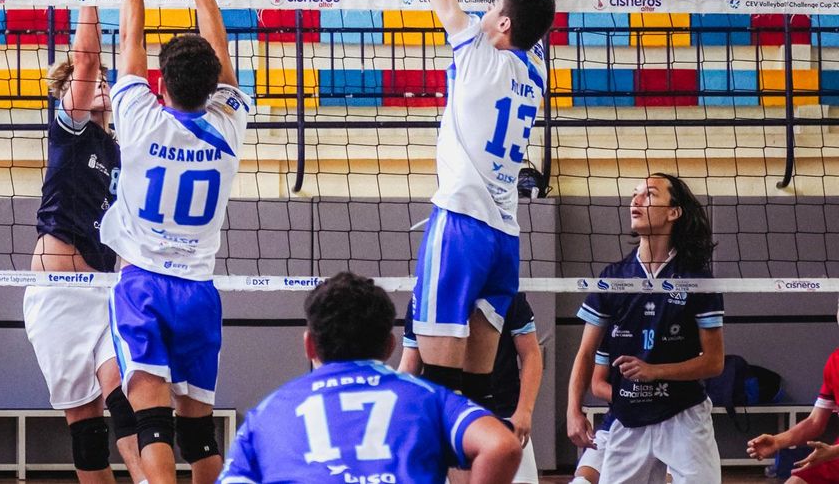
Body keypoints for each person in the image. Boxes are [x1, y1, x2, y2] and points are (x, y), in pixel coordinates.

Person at [381, 0, 557, 406]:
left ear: (502, 25)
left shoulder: (476, 54)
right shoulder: (534, 68)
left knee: (436, 391)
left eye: (493, 9)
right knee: (477, 396)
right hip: (505, 238)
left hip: (459, 226)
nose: (485, 7)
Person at [101, 0, 252, 484]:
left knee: (154, 430)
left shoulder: (138, 118)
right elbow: (219, 60)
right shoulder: (229, 124)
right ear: (215, 88)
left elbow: (129, 45)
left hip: (143, 287)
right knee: (197, 434)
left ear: (160, 85)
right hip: (198, 292)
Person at [21, 0, 146, 484]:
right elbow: (91, 62)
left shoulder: (119, 149)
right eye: (84, 81)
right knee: (84, 421)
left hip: (104, 288)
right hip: (57, 297)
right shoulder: (68, 132)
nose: (95, 85)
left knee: (125, 390)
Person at [219, 272, 522, 484]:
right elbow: (502, 447)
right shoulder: (429, 398)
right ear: (391, 345)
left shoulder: (268, 411)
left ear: (309, 344)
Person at [566, 174, 725, 484]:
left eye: (649, 195)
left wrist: (655, 371)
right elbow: (585, 353)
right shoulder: (613, 277)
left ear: (673, 212)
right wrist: (573, 410)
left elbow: (715, 362)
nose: (635, 201)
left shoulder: (697, 278)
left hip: (683, 415)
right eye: (634, 194)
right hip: (628, 417)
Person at [400, 293, 542, 484]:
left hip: (504, 416)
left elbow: (531, 354)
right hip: (450, 423)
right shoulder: (425, 295)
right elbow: (410, 366)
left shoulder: (506, 291)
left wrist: (524, 411)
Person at [746, 301, 839, 483]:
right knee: (796, 481)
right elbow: (815, 421)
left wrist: (833, 452)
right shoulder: (835, 362)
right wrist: (777, 441)